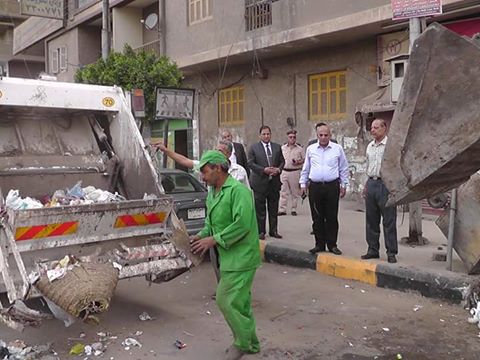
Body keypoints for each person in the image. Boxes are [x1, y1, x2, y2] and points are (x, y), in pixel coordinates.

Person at [190, 150, 261, 360]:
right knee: (241, 303)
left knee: (225, 300)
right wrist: (201, 235)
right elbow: (211, 223)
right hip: (227, 255)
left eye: (204, 172)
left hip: (242, 256)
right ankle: (252, 344)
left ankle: (241, 343)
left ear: (218, 168)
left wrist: (213, 240)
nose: (202, 177)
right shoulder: (213, 191)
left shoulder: (239, 191)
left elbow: (242, 225)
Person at [300, 122, 349, 255]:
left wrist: (344, 185)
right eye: (320, 135)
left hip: (332, 186)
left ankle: (332, 244)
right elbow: (306, 168)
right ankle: (319, 244)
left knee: (332, 217)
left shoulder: (337, 149)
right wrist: (303, 184)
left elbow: (344, 168)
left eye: (326, 135)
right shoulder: (311, 149)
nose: (323, 137)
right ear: (317, 135)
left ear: (330, 135)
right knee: (317, 217)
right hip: (315, 187)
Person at [361, 118, 398, 263]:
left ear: (384, 129)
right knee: (371, 220)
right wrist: (366, 185)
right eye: (372, 127)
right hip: (372, 183)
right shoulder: (370, 146)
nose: (373, 130)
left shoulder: (390, 145)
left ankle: (391, 252)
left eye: (376, 127)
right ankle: (372, 250)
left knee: (389, 220)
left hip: (386, 185)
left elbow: (396, 165)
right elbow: (368, 165)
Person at [247, 125, 285, 240]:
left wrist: (278, 169)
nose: (266, 136)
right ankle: (261, 231)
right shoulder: (254, 148)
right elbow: (251, 163)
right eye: (264, 134)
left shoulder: (277, 147)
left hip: (274, 183)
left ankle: (274, 230)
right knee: (260, 209)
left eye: (268, 134)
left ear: (270, 134)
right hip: (260, 183)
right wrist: (263, 170)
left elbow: (282, 161)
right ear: (260, 135)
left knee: (273, 208)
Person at [278, 130, 304, 216]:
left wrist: (298, 162)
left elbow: (304, 160)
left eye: (294, 137)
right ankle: (282, 209)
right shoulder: (282, 148)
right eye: (290, 137)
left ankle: (294, 209)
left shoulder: (300, 149)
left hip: (294, 171)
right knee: (283, 191)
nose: (292, 139)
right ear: (287, 138)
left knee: (294, 192)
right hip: (284, 171)